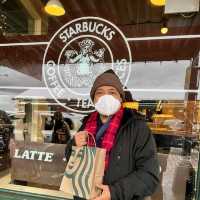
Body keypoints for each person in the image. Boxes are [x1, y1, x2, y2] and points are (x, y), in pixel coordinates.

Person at [65, 69, 159, 200]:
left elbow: (150, 176)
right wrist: (73, 145)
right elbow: (72, 160)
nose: (106, 97)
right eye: (100, 93)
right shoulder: (86, 124)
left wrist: (114, 192)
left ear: (120, 97)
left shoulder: (137, 128)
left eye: (112, 92)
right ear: (94, 99)